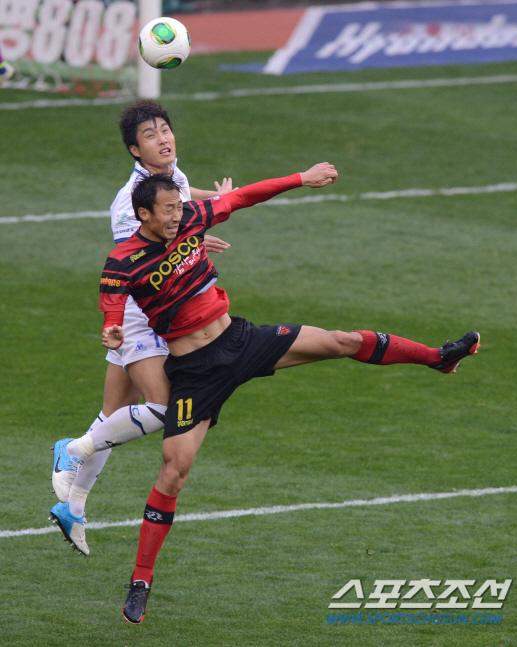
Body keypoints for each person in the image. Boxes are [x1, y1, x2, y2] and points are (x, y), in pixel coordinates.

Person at [53, 166, 480, 623]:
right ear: (144, 214)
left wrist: (301, 178)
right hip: (196, 374)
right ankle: (140, 581)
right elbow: (112, 314)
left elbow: (243, 198)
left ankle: (437, 357)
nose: (178, 215)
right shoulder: (122, 262)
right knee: (173, 473)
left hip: (240, 341)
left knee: (342, 341)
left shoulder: (192, 219)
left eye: (179, 207)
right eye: (168, 210)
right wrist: (112, 333)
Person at [49, 100, 233, 555]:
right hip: (140, 316)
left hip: (152, 310)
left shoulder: (169, 177)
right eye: (150, 135)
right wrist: (192, 238)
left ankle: (74, 506)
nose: (163, 138)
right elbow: (136, 261)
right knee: (166, 408)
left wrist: (214, 201)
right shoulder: (126, 205)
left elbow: (182, 199)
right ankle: (71, 447)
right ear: (134, 149)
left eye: (165, 129)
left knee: (114, 412)